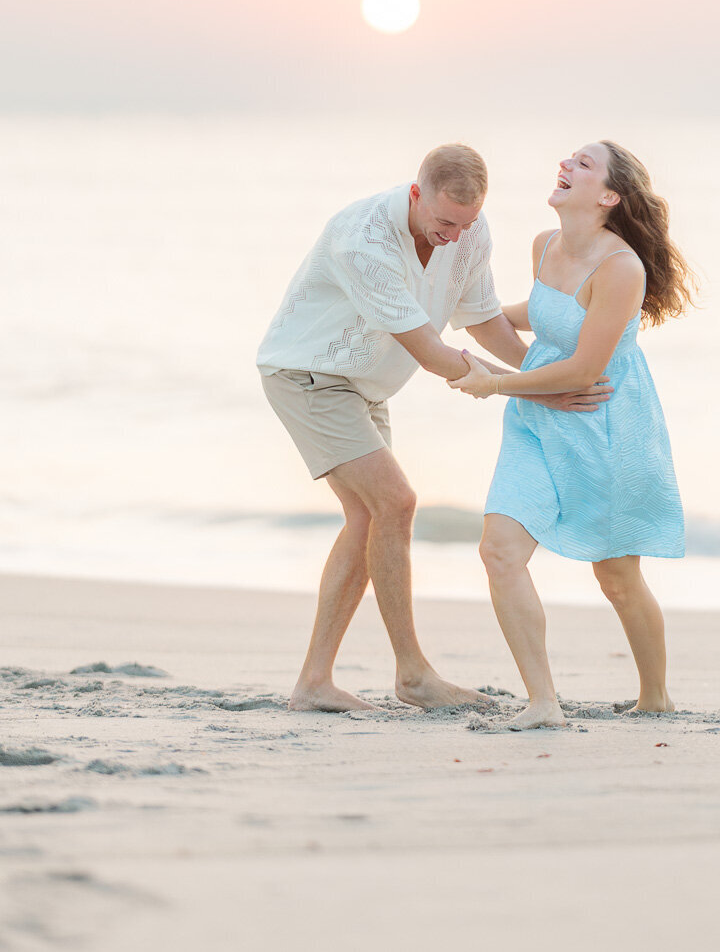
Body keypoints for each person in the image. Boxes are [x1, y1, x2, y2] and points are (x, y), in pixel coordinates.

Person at [257, 143, 612, 713]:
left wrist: (547, 373)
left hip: (364, 385)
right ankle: (414, 674)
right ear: (417, 193)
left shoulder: (470, 231)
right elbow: (430, 352)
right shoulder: (363, 239)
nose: (454, 235)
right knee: (395, 503)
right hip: (309, 375)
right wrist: (542, 391)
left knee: (368, 517)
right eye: (445, 221)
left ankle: (314, 683)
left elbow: (484, 321)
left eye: (466, 222)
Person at [450, 140, 696, 729]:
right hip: (537, 422)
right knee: (499, 551)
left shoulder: (621, 269)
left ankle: (655, 696)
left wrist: (495, 385)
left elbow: (586, 368)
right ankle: (543, 703)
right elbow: (548, 312)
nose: (565, 164)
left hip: (604, 424)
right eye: (568, 159)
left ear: (609, 196)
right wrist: (469, 305)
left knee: (616, 575)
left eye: (583, 164)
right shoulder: (546, 245)